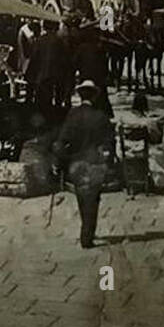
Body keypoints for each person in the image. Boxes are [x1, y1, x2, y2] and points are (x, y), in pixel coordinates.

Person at [54, 80, 116, 249]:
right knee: (93, 199)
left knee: (82, 196)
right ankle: (87, 234)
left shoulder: (72, 115)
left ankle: (86, 230)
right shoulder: (101, 116)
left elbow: (61, 141)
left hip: (76, 164)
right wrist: (109, 163)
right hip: (95, 164)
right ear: (95, 96)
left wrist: (60, 162)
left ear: (80, 95)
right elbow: (110, 143)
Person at [30, 17, 73, 128]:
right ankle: (55, 124)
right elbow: (66, 61)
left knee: (43, 103)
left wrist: (31, 77)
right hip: (58, 77)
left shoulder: (39, 40)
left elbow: (34, 59)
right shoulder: (60, 42)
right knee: (57, 102)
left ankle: (43, 124)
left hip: (42, 77)